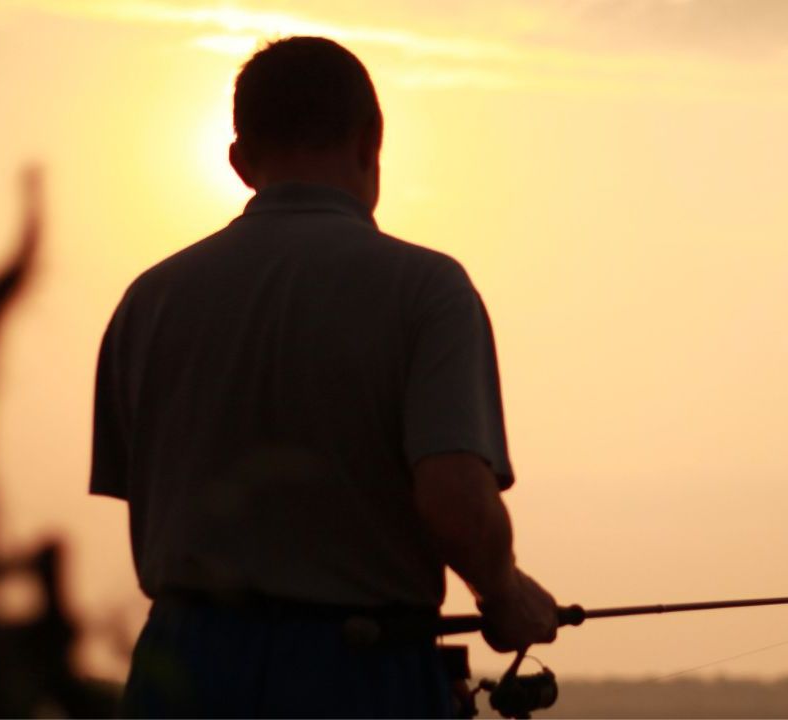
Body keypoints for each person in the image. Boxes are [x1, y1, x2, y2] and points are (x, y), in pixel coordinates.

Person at [90, 36, 563, 717]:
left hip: (180, 668)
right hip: (360, 668)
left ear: (240, 161)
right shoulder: (428, 291)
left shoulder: (148, 300)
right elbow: (455, 497)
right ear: (374, 141)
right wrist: (504, 595)